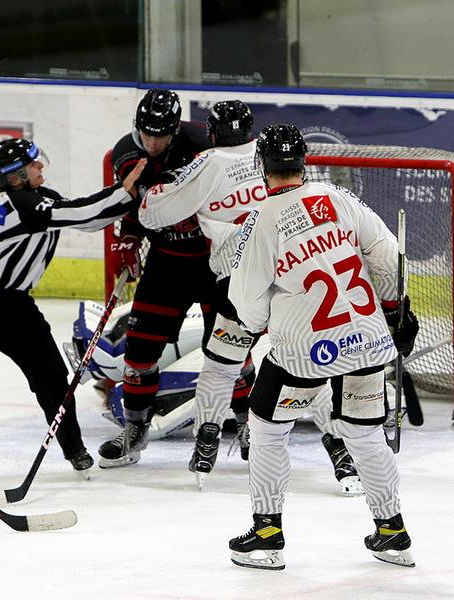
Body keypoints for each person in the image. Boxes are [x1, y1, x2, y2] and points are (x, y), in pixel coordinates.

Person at [138, 100, 364, 494]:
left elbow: (151, 214)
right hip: (294, 282)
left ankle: (206, 439)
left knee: (222, 361)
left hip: (240, 284)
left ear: (212, 133)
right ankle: (341, 453)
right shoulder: (297, 176)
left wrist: (157, 189)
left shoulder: (208, 163)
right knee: (306, 367)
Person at [226, 123, 420, 570]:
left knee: (268, 429)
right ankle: (393, 532)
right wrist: (394, 310)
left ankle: (267, 534)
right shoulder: (338, 197)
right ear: (303, 162)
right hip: (367, 341)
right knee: (366, 435)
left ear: (262, 166)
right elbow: (388, 253)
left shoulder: (261, 219)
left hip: (303, 351)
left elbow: (245, 302)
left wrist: (267, 323)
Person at [0, 138, 146, 496]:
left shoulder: (38, 197)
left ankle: (73, 448)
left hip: (16, 307)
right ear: (15, 178)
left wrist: (126, 205)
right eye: (33, 166)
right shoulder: (21, 206)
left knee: (51, 374)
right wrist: (124, 192)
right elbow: (79, 212)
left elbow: (85, 219)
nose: (41, 168)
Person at [99, 89, 253, 468]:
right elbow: (135, 205)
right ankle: (135, 430)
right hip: (167, 264)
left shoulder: (204, 145)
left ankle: (248, 425)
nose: (153, 143)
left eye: (162, 135)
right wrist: (128, 240)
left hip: (213, 263)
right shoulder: (125, 153)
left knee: (229, 350)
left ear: (176, 128)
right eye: (147, 134)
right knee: (139, 352)